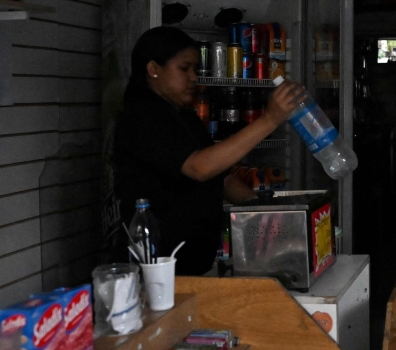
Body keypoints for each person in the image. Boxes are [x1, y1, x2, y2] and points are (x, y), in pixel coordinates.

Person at [113, 26, 306, 275]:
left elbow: (221, 175)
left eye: (195, 69)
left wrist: (261, 215)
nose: (194, 77)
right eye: (184, 68)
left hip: (190, 266)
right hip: (153, 271)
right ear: (153, 69)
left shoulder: (184, 116)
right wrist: (269, 119)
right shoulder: (142, 117)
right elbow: (199, 167)